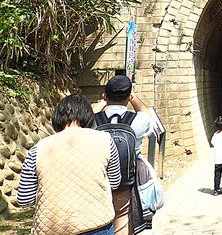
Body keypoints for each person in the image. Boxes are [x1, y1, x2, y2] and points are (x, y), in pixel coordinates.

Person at [17, 94, 121, 235]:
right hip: (97, 226)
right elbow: (115, 182)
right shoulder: (105, 140)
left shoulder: (37, 149)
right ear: (89, 117)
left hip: (50, 228)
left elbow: (24, 199)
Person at [95, 74, 154, 235]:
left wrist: (103, 102)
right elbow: (147, 115)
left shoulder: (92, 121)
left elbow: (82, 121)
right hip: (125, 185)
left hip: (98, 186)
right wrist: (133, 98)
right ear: (129, 96)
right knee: (122, 223)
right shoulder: (138, 121)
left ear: (105, 95)